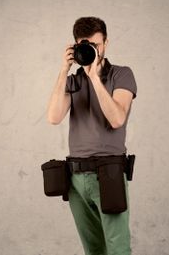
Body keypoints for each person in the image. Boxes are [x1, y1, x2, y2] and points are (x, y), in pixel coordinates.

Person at [47, 16, 137, 255]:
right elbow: (54, 117)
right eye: (85, 46)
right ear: (77, 46)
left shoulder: (121, 74)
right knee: (94, 251)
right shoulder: (72, 80)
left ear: (105, 43)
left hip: (109, 173)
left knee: (117, 250)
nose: (93, 51)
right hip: (76, 179)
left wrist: (95, 78)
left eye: (96, 46)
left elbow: (117, 118)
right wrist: (64, 69)